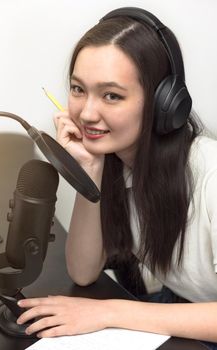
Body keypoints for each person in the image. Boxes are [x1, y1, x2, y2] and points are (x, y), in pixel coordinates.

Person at [16, 7, 217, 349]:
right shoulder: (114, 162)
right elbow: (83, 271)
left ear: (162, 103)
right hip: (181, 309)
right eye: (79, 89)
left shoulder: (210, 175)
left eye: (112, 95)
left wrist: (109, 312)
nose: (87, 113)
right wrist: (88, 173)